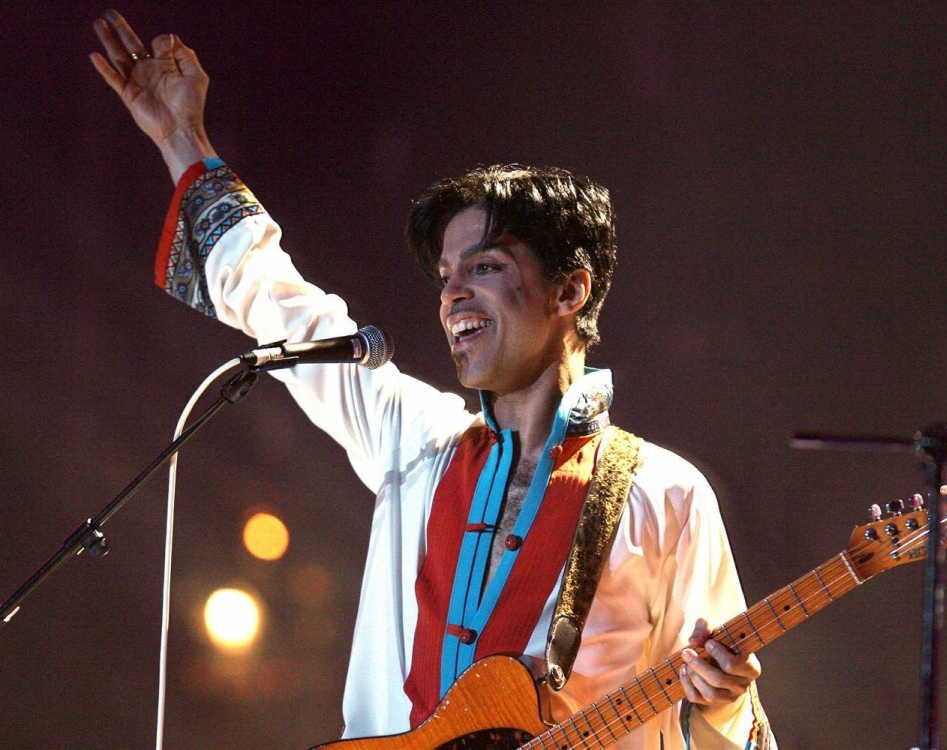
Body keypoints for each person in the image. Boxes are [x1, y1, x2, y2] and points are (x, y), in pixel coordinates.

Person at [91, 9, 775, 749]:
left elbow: (727, 727)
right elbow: (281, 304)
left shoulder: (665, 496)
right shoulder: (417, 441)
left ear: (569, 291)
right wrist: (179, 137)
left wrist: (721, 704)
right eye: (446, 275)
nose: (451, 296)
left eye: (483, 267)